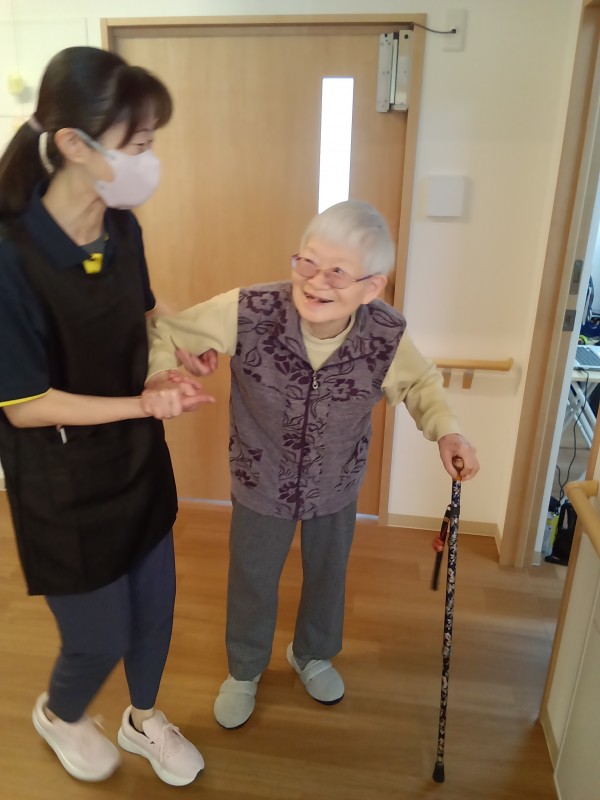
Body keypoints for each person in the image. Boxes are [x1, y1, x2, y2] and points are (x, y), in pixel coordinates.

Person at [146, 199, 480, 730]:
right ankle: (245, 668)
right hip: (260, 479)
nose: (315, 281)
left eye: (337, 272)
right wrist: (162, 374)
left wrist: (448, 431)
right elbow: (168, 332)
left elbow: (421, 383)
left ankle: (312, 655)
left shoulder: (386, 334)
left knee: (328, 573)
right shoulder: (249, 309)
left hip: (336, 482)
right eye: (307, 261)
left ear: (371, 287)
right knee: (253, 575)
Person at [0, 46, 212, 785]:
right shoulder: (11, 258)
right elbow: (26, 406)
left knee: (153, 613)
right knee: (98, 638)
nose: (150, 160)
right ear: (73, 144)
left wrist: (176, 346)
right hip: (62, 486)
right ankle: (61, 714)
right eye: (138, 144)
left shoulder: (121, 226)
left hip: (137, 462)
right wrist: (144, 401)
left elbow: (144, 311)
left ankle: (142, 718)